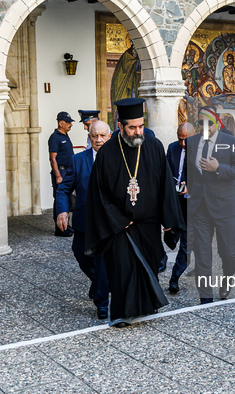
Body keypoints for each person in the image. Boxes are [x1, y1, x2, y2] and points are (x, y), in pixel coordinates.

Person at [83, 98, 184, 328]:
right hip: (119, 226)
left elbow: (165, 185)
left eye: (141, 125)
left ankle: (147, 306)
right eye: (133, 127)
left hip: (148, 223)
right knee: (122, 268)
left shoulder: (153, 146)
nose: (138, 131)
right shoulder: (107, 153)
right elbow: (99, 195)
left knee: (148, 263)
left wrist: (168, 221)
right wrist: (118, 219)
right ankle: (121, 313)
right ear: (120, 126)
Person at [187, 106, 235, 304]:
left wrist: (219, 168)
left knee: (227, 253)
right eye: (201, 123)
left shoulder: (229, 141)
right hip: (200, 207)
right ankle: (205, 298)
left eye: (209, 124)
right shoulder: (191, 142)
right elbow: (188, 171)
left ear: (216, 123)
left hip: (225, 207)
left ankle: (227, 281)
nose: (205, 128)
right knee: (202, 254)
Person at [56, 121, 111, 319]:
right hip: (84, 219)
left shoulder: (119, 160)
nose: (99, 140)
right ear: (89, 138)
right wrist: (62, 211)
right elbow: (64, 188)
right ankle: (99, 283)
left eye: (102, 136)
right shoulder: (78, 160)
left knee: (103, 260)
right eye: (95, 136)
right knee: (81, 254)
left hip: (108, 223)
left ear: (109, 137)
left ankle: (101, 302)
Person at [166, 122, 193, 294]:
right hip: (175, 202)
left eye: (186, 140)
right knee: (171, 237)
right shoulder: (172, 148)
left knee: (187, 245)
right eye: (180, 139)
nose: (182, 143)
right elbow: (167, 170)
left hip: (193, 204)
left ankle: (175, 277)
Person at [48, 111, 75, 237]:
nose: (71, 125)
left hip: (68, 171)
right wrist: (58, 176)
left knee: (68, 200)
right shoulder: (55, 137)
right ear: (60, 123)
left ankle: (66, 226)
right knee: (60, 199)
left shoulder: (65, 136)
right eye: (68, 123)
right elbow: (53, 158)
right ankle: (59, 229)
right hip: (61, 171)